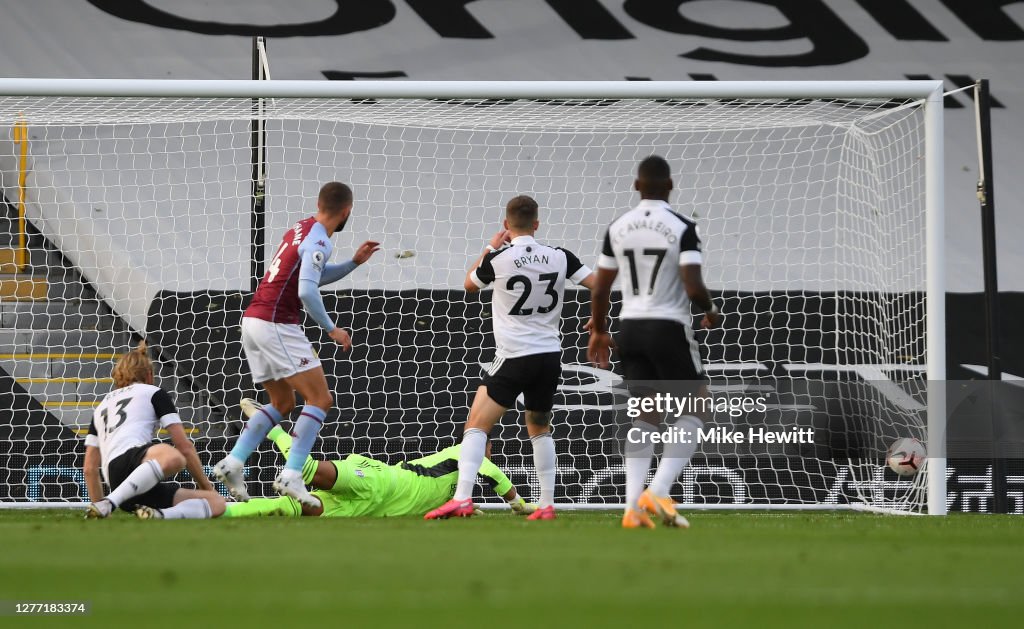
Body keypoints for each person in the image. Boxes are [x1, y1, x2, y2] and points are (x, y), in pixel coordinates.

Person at [425, 195, 595, 521]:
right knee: (539, 427)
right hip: (549, 356)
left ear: (506, 225)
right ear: (537, 223)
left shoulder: (499, 259)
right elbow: (597, 284)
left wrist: (490, 247)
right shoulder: (560, 257)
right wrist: (597, 321)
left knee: (476, 425)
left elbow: (469, 284)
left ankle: (462, 497)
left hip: (515, 355)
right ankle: (546, 504)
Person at [212, 182, 380, 507]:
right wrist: (332, 329)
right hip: (277, 323)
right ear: (347, 211)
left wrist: (353, 263)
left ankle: (233, 462)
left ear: (319, 204)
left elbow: (311, 276)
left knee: (282, 402)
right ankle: (291, 474)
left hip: (253, 321)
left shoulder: (302, 228)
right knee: (320, 398)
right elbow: (306, 290)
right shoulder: (320, 240)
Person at [587, 155, 721, 529]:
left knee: (645, 414)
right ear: (671, 185)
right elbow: (693, 285)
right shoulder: (682, 226)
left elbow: (600, 286)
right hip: (667, 326)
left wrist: (598, 330)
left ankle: (632, 508)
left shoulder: (618, 226)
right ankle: (659, 490)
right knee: (697, 407)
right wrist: (711, 309)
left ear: (636, 186)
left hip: (629, 328)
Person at [207, 401, 534, 519]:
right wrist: (522, 505)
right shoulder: (467, 454)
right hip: (380, 479)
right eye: (485, 446)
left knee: (286, 507)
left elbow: (429, 501)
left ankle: (211, 510)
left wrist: (455, 508)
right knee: (305, 470)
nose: (486, 453)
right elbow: (497, 477)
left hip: (369, 509)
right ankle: (273, 428)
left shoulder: (455, 487)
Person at [83, 341, 225, 520]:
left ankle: (157, 515)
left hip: (121, 484)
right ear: (149, 374)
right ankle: (110, 502)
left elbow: (89, 468)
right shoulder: (153, 392)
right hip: (132, 463)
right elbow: (184, 446)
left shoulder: (101, 406)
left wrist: (100, 509)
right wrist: (206, 486)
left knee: (217, 503)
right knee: (174, 457)